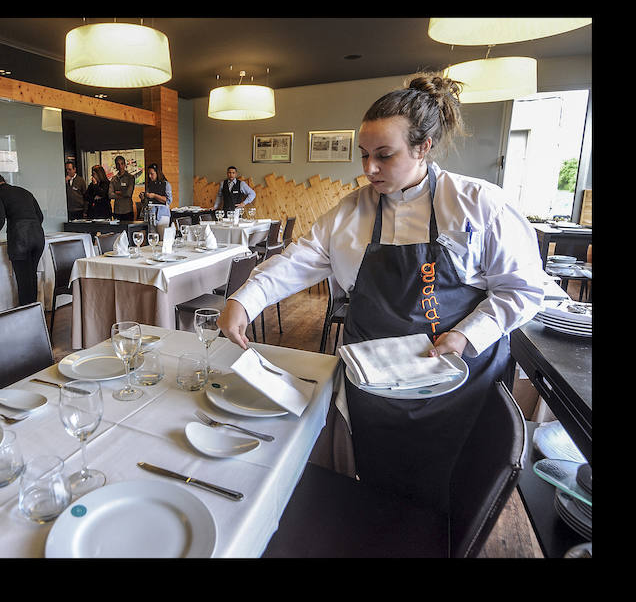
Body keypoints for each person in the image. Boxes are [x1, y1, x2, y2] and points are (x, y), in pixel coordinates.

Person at [217, 73, 546, 512]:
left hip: (456, 381)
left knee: (451, 494)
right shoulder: (352, 210)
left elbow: (521, 290)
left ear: (424, 147)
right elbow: (301, 259)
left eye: (384, 156)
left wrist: (468, 335)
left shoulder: (478, 203)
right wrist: (245, 298)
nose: (369, 168)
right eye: (365, 155)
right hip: (373, 384)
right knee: (378, 485)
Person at [0, 168, 45, 307]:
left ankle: (25, 310)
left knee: (23, 278)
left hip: (20, 239)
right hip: (38, 237)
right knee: (31, 274)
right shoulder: (24, 191)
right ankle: (34, 307)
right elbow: (40, 216)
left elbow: (0, 219)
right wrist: (32, 227)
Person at [140, 163, 173, 236]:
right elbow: (147, 203)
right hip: (151, 216)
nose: (150, 176)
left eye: (152, 174)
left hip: (162, 216)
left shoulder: (166, 184)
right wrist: (143, 198)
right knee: (152, 239)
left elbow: (168, 200)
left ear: (157, 173)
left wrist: (154, 196)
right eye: (148, 174)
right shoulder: (149, 185)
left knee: (162, 240)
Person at [110, 155, 136, 221]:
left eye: (122, 164)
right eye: (118, 164)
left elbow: (128, 193)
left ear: (124, 164)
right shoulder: (114, 179)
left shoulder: (130, 177)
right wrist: (122, 193)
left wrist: (117, 192)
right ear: (116, 166)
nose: (120, 166)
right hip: (117, 210)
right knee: (117, 230)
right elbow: (110, 195)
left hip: (127, 210)